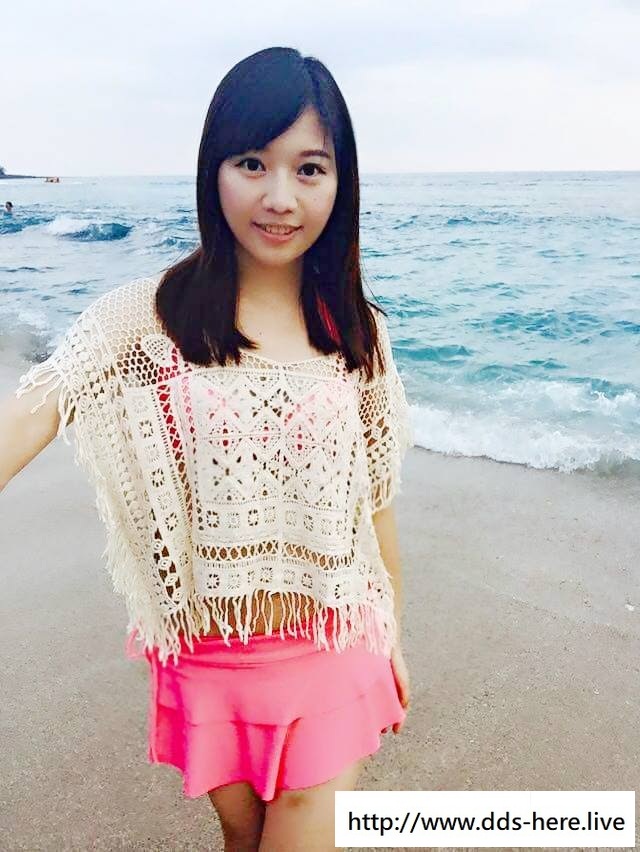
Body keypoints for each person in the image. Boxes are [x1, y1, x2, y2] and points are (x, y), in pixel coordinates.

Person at [1, 47, 414, 851]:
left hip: (335, 645)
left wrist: (392, 631)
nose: (279, 197)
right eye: (252, 163)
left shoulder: (358, 331)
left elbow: (375, 499)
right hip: (209, 658)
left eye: (310, 169)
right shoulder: (146, 319)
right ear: (212, 170)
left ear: (341, 182)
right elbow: (30, 414)